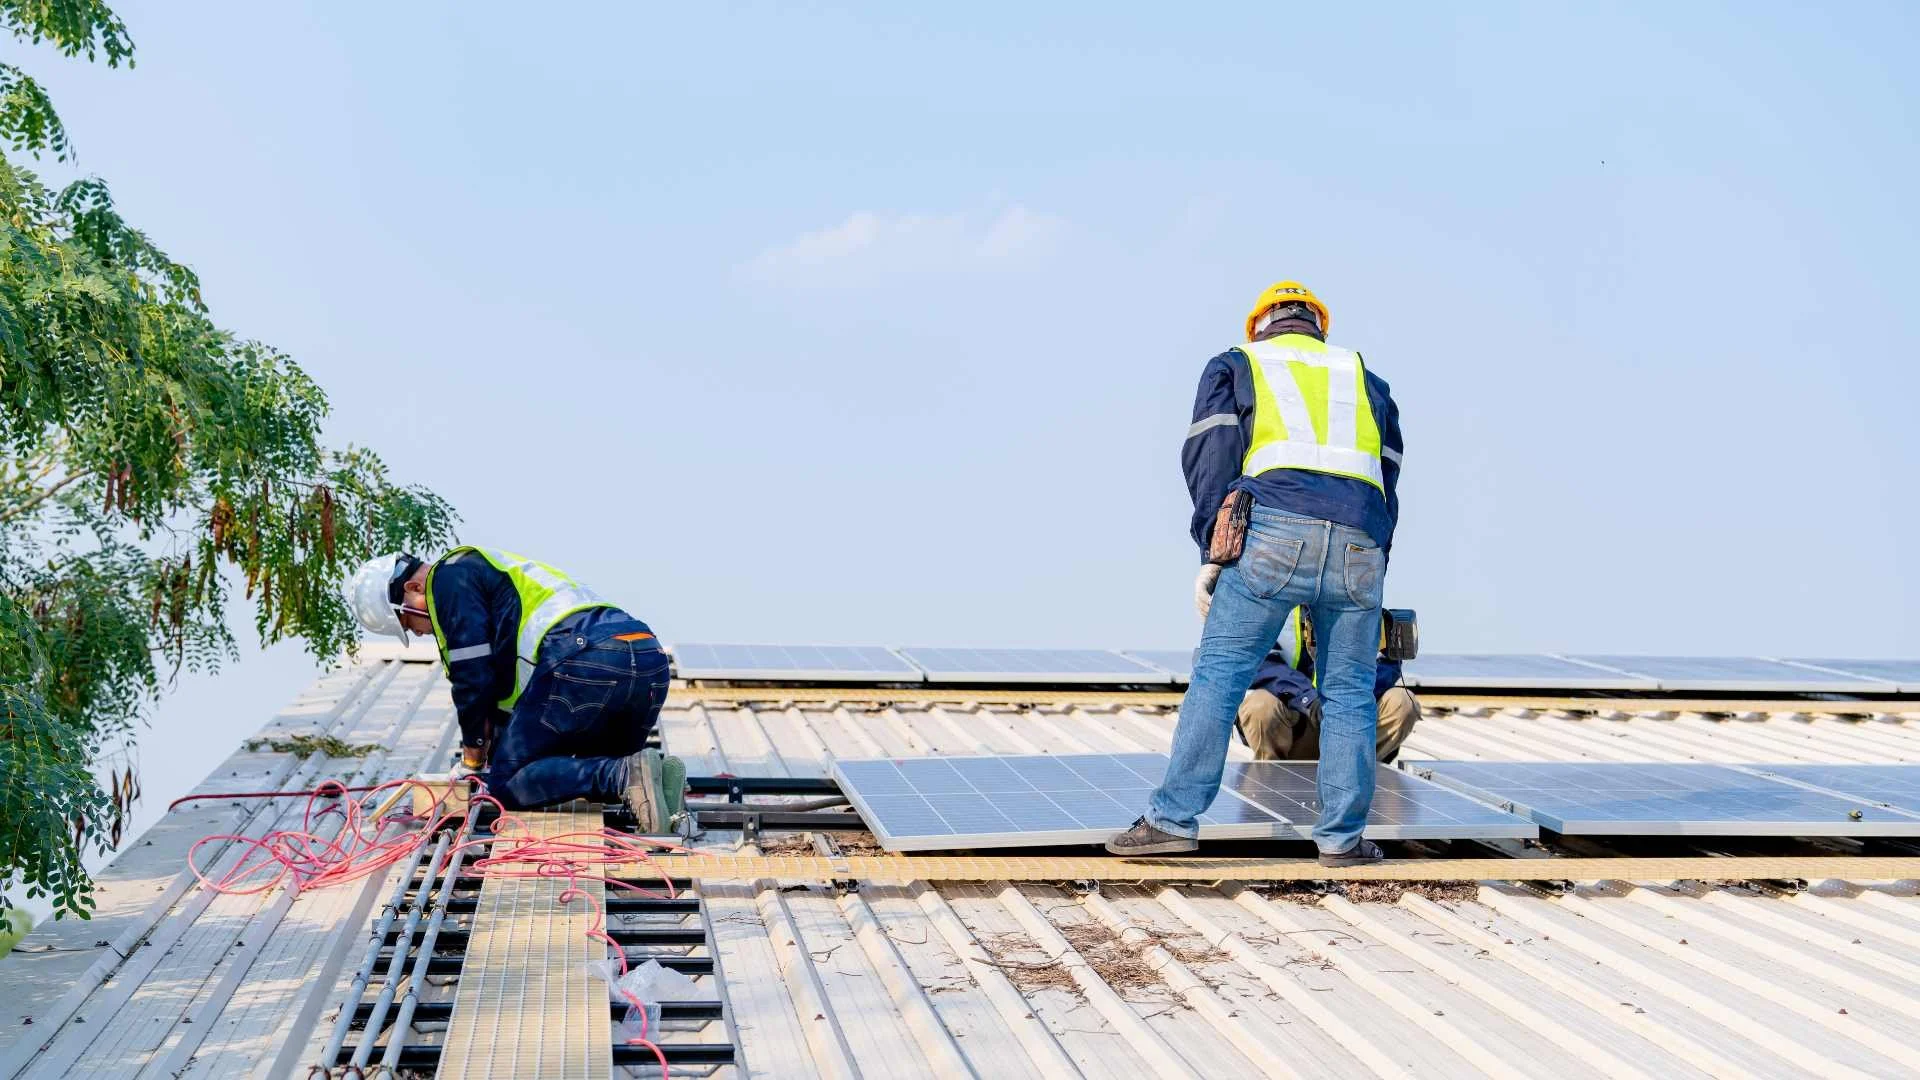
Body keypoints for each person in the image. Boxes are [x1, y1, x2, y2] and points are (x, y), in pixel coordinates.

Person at [1107, 280, 1404, 866]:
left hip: (1274, 528)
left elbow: (1210, 460)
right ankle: (1342, 841)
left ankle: (1172, 820)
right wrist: (1374, 558)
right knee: (1348, 692)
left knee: (1218, 677)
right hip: (1360, 538)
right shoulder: (1364, 378)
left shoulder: (1237, 364)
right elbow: (1388, 481)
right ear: (1319, 325)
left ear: (1260, 325)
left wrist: (1212, 553)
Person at [346, 547, 686, 829]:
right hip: (646, 663)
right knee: (570, 771)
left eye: (408, 621)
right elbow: (508, 697)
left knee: (508, 784)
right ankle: (660, 790)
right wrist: (497, 748)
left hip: (587, 660)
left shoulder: (448, 577)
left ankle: (624, 773)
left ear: (413, 588)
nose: (420, 633)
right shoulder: (494, 579)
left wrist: (472, 760)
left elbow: (473, 677)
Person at [1236, 606, 1421, 763]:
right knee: (1259, 706)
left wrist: (1348, 696)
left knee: (1402, 702)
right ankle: (1274, 779)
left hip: (1351, 726)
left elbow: (1387, 663)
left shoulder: (1361, 604)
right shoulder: (1270, 609)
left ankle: (1361, 773)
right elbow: (1261, 663)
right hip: (1296, 724)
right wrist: (1308, 699)